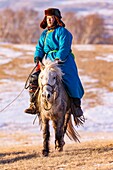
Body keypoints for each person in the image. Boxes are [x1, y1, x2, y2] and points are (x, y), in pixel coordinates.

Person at [24, 8, 84, 117]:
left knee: (71, 79)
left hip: (63, 61)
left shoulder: (64, 32)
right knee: (34, 78)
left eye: (51, 18)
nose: (49, 20)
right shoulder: (44, 34)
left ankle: (76, 106)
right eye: (48, 18)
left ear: (56, 19)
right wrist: (37, 57)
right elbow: (40, 47)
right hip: (46, 61)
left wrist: (58, 59)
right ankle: (33, 104)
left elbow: (64, 47)